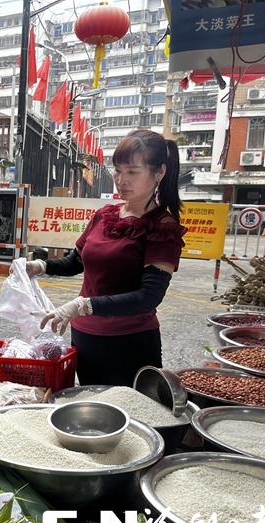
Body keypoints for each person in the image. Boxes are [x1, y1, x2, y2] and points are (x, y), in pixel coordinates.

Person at [24, 129, 186, 386]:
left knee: (129, 415)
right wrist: (39, 266)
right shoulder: (104, 215)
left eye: (132, 172)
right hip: (85, 338)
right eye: (117, 170)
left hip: (129, 343)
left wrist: (83, 306)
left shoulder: (162, 228)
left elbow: (149, 297)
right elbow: (75, 262)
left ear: (159, 173)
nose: (122, 180)